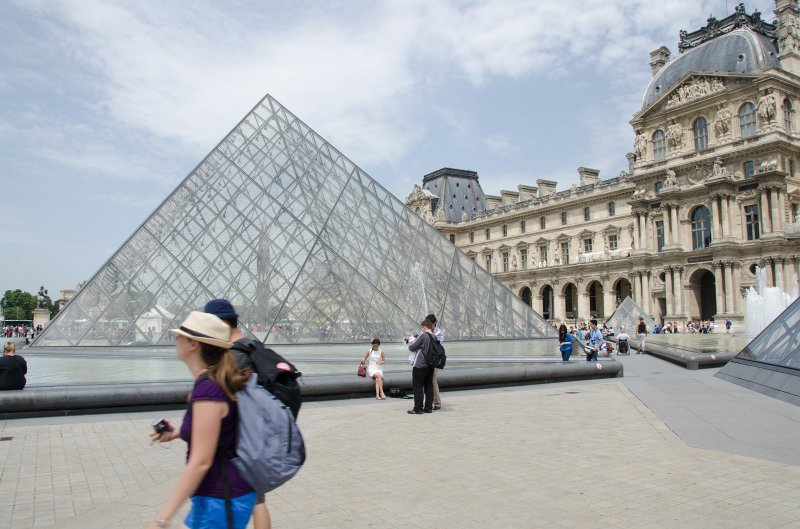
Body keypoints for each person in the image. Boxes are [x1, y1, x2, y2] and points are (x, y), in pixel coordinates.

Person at [146, 311, 253, 529]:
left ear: (193, 344)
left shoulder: (208, 390)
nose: (176, 339)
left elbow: (200, 462)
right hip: (220, 496)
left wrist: (162, 519)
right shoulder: (214, 382)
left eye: (180, 335)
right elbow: (220, 433)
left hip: (221, 499)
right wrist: (177, 433)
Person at [203, 299, 272, 529]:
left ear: (221, 324)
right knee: (258, 499)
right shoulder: (256, 346)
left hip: (237, 439)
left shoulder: (230, 356)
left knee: (236, 500)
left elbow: (218, 395)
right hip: (259, 434)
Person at [406, 319, 435, 414]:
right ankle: (428, 407)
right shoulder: (434, 337)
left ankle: (418, 408)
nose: (421, 330)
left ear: (424, 327)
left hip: (420, 365)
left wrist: (409, 340)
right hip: (430, 365)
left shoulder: (423, 335)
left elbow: (412, 347)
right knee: (429, 386)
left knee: (418, 386)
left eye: (421, 328)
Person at [426, 314, 445, 410]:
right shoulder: (427, 331)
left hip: (435, 359)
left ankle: (437, 403)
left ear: (434, 324)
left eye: (429, 324)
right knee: (427, 380)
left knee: (433, 380)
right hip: (426, 359)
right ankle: (428, 402)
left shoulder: (439, 332)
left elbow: (434, 342)